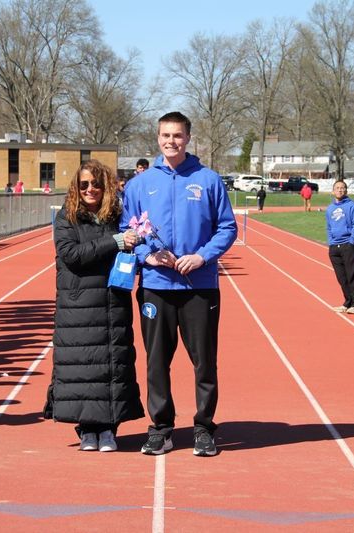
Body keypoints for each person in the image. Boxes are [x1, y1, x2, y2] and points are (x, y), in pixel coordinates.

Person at [121, 111, 237, 457]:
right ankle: (161, 428)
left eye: (177, 136)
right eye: (165, 135)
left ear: (188, 138)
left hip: (199, 286)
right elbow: (129, 231)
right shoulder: (139, 184)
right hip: (156, 285)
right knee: (156, 361)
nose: (171, 141)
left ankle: (203, 427)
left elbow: (227, 228)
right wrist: (146, 256)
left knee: (204, 361)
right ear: (157, 138)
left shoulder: (208, 180)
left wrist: (202, 257)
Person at [44, 159, 145, 452]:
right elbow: (71, 254)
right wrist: (116, 242)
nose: (90, 189)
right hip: (77, 304)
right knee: (82, 366)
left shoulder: (118, 215)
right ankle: (87, 429)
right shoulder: (66, 217)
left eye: (96, 184)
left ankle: (110, 427)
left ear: (107, 187)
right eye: (84, 184)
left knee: (112, 365)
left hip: (113, 301)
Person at [326, 180, 354, 314]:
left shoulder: (352, 205)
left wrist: (352, 241)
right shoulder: (330, 209)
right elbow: (329, 227)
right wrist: (331, 242)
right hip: (335, 246)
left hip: (348, 244)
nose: (340, 190)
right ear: (333, 191)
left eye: (343, 188)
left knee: (352, 275)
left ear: (346, 190)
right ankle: (348, 301)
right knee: (341, 277)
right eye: (337, 188)